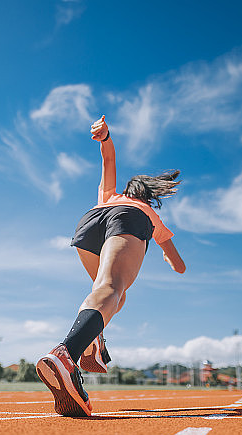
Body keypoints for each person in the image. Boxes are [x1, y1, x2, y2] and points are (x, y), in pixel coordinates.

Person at [36, 115, 186, 417]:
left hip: (89, 223)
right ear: (149, 195)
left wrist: (105, 137)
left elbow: (108, 161)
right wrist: (168, 256)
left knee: (110, 293)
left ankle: (94, 337)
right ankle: (67, 354)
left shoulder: (109, 195)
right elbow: (179, 265)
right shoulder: (148, 214)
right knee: (113, 289)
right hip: (127, 222)